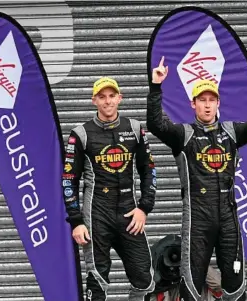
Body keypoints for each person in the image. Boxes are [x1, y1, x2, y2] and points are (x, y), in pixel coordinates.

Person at [146, 56, 247, 301]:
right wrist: (156, 87)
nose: (207, 106)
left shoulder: (231, 131)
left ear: (218, 103)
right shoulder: (183, 135)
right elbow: (156, 124)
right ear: (192, 104)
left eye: (211, 100)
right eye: (202, 100)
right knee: (192, 283)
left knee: (235, 279)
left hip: (228, 217)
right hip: (198, 219)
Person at [63, 77, 157, 301]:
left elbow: (149, 170)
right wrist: (76, 221)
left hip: (128, 213)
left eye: (112, 96)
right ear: (94, 100)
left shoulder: (134, 129)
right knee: (97, 280)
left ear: (120, 98)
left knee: (145, 279)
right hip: (97, 214)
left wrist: (144, 208)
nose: (107, 101)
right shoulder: (81, 134)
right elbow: (69, 179)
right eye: (102, 97)